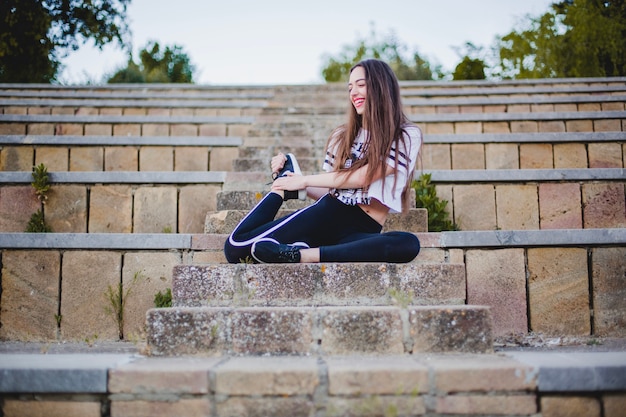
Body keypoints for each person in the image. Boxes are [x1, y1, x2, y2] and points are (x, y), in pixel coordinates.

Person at [224, 59, 422, 264]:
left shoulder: (406, 135)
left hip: (364, 230)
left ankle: (300, 254)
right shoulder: (342, 136)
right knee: (236, 248)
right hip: (330, 213)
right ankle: (283, 185)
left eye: (361, 85)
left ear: (381, 87)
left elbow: (367, 176)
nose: (353, 93)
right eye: (350, 87)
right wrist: (297, 182)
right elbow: (329, 190)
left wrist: (304, 181)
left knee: (407, 244)